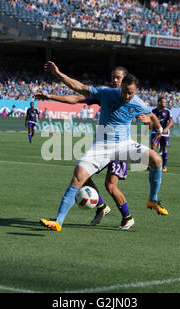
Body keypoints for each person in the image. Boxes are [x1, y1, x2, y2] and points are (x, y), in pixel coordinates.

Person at [39, 61, 167, 232]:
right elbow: (79, 88)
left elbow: (151, 117)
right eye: (124, 92)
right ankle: (58, 222)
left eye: (130, 93)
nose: (126, 96)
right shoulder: (106, 93)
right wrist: (58, 74)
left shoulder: (139, 104)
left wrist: (156, 128)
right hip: (101, 146)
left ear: (136, 91)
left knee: (156, 160)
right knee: (78, 176)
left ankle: (152, 199)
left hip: (124, 145)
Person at [151, 96, 173, 172]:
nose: (165, 103)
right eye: (164, 102)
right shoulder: (153, 111)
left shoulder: (167, 111)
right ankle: (151, 164)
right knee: (153, 146)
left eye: (166, 102)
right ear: (159, 102)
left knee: (164, 149)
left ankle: (164, 166)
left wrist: (166, 128)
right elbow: (151, 121)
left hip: (164, 133)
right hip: (155, 131)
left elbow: (171, 122)